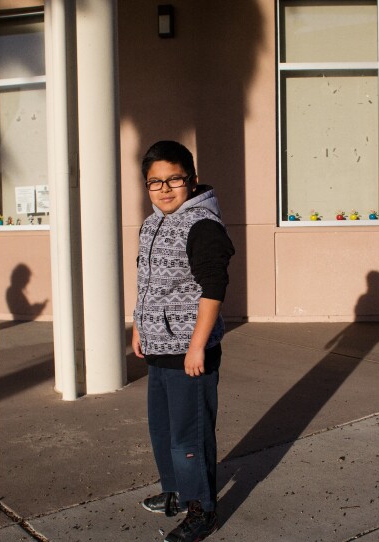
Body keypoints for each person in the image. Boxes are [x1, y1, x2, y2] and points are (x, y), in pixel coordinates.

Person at [131, 140, 234, 542]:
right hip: (158, 345)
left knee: (189, 437)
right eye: (154, 182)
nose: (164, 188)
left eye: (173, 179)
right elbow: (147, 281)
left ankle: (202, 509)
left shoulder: (203, 225)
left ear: (190, 180)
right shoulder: (153, 221)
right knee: (163, 431)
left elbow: (214, 287)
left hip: (189, 351)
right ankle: (176, 492)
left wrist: (196, 346)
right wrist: (139, 324)